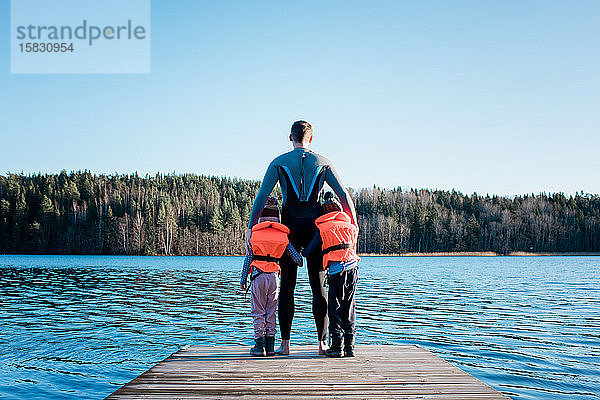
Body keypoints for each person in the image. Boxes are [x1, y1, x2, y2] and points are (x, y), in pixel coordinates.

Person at [246, 120, 358, 355]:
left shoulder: (278, 163)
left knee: (287, 286)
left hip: (289, 228)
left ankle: (285, 345)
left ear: (290, 137)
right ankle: (322, 343)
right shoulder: (324, 162)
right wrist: (353, 222)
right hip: (316, 228)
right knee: (319, 287)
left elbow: (262, 196)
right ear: (311, 138)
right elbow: (343, 194)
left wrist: (250, 229)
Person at [240, 197, 303, 356]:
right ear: (277, 216)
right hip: (274, 277)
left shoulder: (254, 235)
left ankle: (259, 346)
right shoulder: (283, 236)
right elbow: (298, 259)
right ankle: (270, 346)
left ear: (261, 216)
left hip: (258, 276)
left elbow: (248, 259)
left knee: (258, 311)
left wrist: (242, 279)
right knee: (270, 311)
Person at [303, 192, 360, 357]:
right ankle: (350, 347)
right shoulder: (350, 227)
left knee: (334, 309)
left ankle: (337, 347)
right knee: (349, 308)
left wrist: (301, 251)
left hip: (337, 272)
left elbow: (308, 251)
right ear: (339, 210)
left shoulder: (323, 228)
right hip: (353, 270)